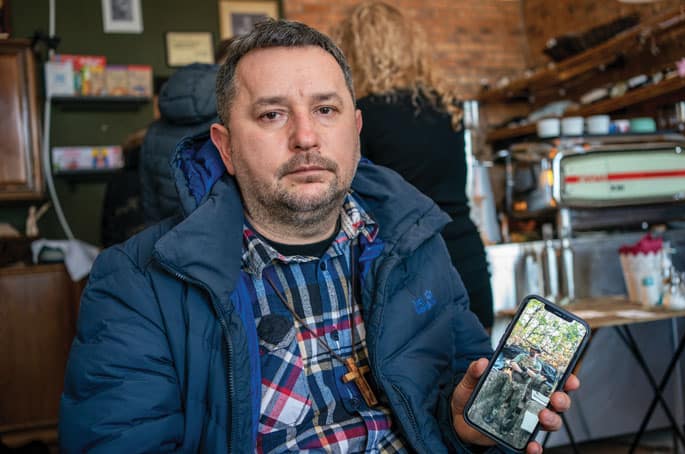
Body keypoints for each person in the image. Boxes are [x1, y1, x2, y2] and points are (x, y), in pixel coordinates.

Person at [59, 19, 578, 453]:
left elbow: (447, 407)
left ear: (355, 130)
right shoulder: (137, 283)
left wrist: (463, 426)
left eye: (325, 110)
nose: (306, 137)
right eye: (272, 114)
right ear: (225, 146)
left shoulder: (415, 245)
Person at [334, 1, 495, 330]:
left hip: (407, 266)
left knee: (418, 376)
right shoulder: (447, 108)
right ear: (409, 46)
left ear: (352, 51)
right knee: (478, 368)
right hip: (465, 252)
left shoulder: (362, 117)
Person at [139, 39, 233, 224]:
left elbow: (148, 199)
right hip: (223, 235)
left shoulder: (154, 130)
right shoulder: (232, 121)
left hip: (168, 236)